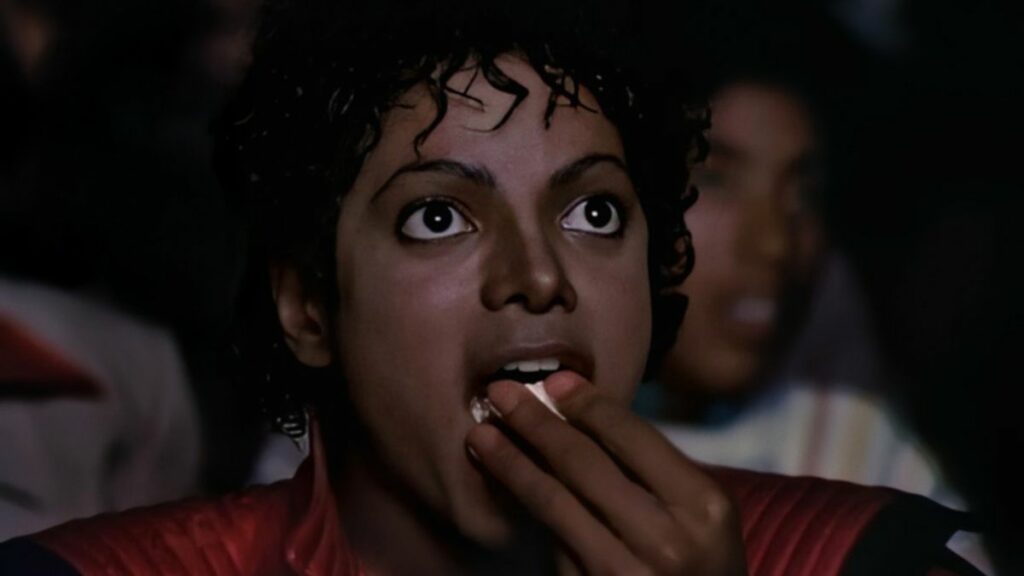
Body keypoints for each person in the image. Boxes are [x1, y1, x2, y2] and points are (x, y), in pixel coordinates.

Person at [0, 1, 979, 574]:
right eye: (438, 217)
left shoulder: (860, 559)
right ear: (306, 307)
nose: (539, 275)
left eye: (594, 212)